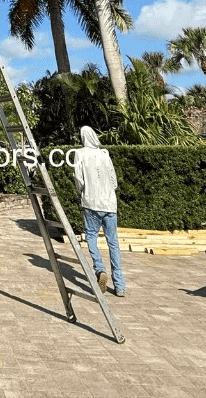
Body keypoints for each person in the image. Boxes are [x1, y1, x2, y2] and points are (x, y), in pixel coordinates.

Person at [72, 126, 126, 297]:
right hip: (109, 204)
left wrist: (83, 192)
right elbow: (114, 181)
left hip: (91, 203)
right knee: (113, 243)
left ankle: (100, 269)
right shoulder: (104, 153)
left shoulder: (79, 154)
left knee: (91, 237)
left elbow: (78, 179)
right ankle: (120, 285)